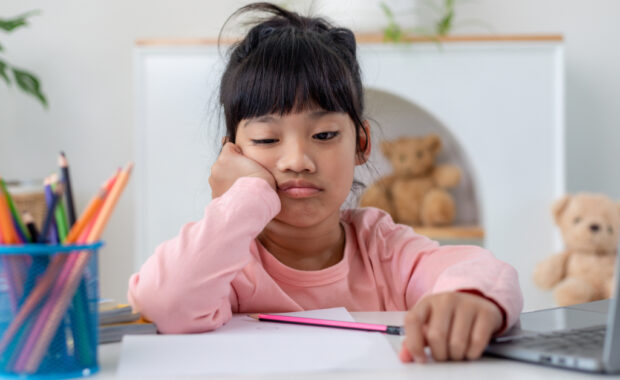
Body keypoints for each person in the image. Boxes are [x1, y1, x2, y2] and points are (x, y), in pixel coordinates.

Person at [128, 2, 523, 363]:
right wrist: (244, 196)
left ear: (362, 143)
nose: (297, 161)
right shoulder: (227, 262)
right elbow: (163, 302)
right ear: (231, 157)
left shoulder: (381, 249)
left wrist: (470, 298)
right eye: (267, 140)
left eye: (324, 135)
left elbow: (484, 269)